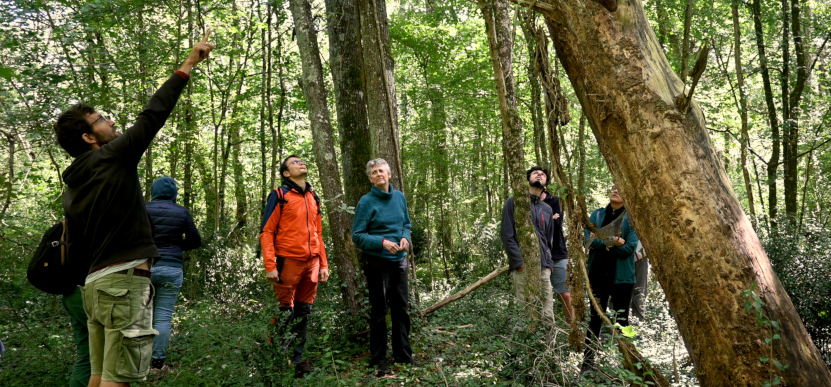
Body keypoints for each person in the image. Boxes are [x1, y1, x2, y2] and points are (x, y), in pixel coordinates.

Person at [55, 31, 213, 387]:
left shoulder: (72, 186)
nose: (111, 122)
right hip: (123, 283)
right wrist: (189, 64)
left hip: (94, 289)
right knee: (119, 379)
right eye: (102, 120)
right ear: (89, 138)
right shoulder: (110, 158)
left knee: (99, 376)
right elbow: (152, 115)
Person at [259, 155, 330, 378]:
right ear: (286, 173)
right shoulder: (279, 196)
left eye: (302, 161)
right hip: (287, 261)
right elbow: (266, 232)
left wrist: (323, 264)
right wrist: (270, 265)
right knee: (283, 311)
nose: (301, 163)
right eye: (294, 162)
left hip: (312, 264)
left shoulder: (313, 197)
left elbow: (318, 233)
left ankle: (297, 360)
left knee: (303, 312)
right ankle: (278, 359)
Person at [352, 158, 417, 377]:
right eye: (374, 172)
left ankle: (403, 355)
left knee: (401, 309)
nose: (379, 174)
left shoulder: (399, 197)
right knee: (379, 311)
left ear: (389, 175)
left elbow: (406, 224)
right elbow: (357, 236)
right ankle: (378, 360)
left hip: (399, 260)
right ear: (370, 178)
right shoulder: (366, 201)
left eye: (382, 171)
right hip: (377, 262)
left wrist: (405, 238)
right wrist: (382, 242)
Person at [145, 177, 202, 375]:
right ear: (174, 193)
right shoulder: (181, 211)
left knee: (140, 315)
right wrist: (176, 247)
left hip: (145, 268)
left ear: (154, 191)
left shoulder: (144, 209)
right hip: (172, 268)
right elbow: (195, 241)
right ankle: (157, 365)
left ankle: (136, 362)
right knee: (162, 317)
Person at [581, 185, 639, 374]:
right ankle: (588, 365)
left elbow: (629, 249)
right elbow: (588, 241)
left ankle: (629, 368)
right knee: (595, 319)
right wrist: (613, 240)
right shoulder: (597, 215)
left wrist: (601, 239)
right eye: (613, 188)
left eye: (620, 189)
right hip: (597, 275)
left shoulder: (632, 218)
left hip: (622, 278)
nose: (616, 191)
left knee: (622, 321)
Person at [501, 166, 565, 324]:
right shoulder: (514, 202)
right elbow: (507, 235)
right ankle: (525, 348)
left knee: (548, 315)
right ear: (527, 179)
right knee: (526, 313)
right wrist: (519, 263)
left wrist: (548, 265)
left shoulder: (547, 209)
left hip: (543, 267)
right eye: (535, 173)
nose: (539, 175)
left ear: (546, 184)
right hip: (523, 267)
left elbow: (548, 239)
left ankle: (549, 348)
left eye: (543, 175)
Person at [540, 176, 575, 323]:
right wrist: (550, 218)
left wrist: (543, 221)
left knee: (565, 295)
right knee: (541, 296)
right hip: (539, 256)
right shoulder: (527, 203)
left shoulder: (554, 201)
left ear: (546, 186)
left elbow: (557, 223)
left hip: (558, 254)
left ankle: (572, 329)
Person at [629, 240, 649, 320]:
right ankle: (616, 324)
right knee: (619, 289)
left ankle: (638, 320)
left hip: (641, 256)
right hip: (623, 254)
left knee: (640, 290)